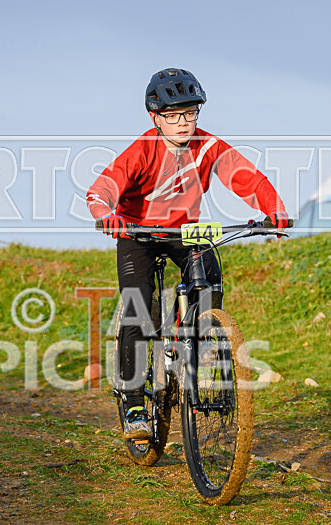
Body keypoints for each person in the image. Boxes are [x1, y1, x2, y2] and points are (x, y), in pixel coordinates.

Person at [86, 68, 289, 440]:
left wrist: (273, 209)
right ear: (155, 118)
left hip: (184, 232)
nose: (183, 122)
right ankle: (133, 402)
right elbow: (101, 190)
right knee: (138, 310)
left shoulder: (209, 147)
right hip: (138, 233)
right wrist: (107, 216)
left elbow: (249, 178)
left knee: (208, 269)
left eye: (191, 113)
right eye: (173, 115)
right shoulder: (142, 151)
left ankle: (197, 342)